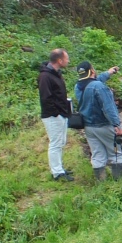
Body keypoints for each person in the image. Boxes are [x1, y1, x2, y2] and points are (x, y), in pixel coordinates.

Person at [74, 61, 122, 181]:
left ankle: (101, 183)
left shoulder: (78, 86)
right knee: (117, 153)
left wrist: (108, 73)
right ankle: (119, 184)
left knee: (97, 155)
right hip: (104, 125)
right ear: (92, 71)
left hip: (88, 127)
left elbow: (94, 82)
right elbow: (108, 108)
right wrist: (117, 125)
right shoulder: (99, 86)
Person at [38, 48, 74, 182]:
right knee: (55, 144)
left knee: (60, 142)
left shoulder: (56, 74)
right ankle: (57, 172)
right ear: (59, 60)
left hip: (61, 113)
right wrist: (56, 113)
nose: (68, 61)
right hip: (53, 115)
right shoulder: (45, 76)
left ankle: (60, 168)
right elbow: (45, 98)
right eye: (66, 58)